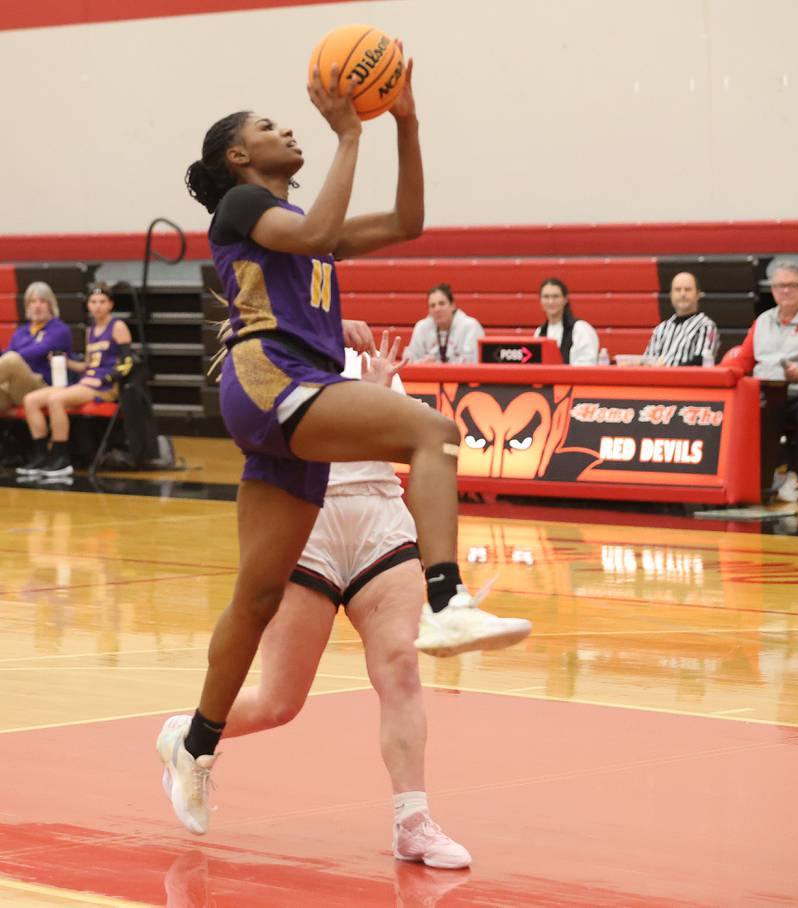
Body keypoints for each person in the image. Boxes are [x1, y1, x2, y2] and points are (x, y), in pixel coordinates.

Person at [156, 56, 531, 837]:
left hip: (289, 408)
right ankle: (445, 598)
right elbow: (322, 227)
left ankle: (193, 745)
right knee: (433, 430)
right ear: (238, 158)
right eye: (268, 127)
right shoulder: (242, 207)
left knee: (256, 598)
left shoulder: (303, 231)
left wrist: (408, 121)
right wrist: (349, 134)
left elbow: (406, 223)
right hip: (270, 381)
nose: (286, 128)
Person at [162, 339, 492, 867]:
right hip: (303, 524)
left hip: (377, 522)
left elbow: (415, 447)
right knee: (279, 703)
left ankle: (413, 821)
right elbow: (285, 444)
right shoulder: (262, 359)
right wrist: (364, 416)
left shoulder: (362, 358)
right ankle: (189, 735)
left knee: (401, 671)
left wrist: (381, 405)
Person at [16, 282, 133, 479]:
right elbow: (88, 365)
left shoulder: (118, 326)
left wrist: (106, 378)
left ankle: (61, 458)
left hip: (104, 386)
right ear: (88, 305)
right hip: (86, 382)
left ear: (110, 304)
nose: (97, 306)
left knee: (56, 400)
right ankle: (43, 455)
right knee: (31, 400)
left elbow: (128, 362)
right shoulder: (91, 330)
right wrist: (66, 362)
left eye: (102, 302)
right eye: (93, 302)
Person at [728, 261, 798, 503]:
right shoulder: (762, 322)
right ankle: (753, 482)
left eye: (792, 285)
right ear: (773, 289)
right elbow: (743, 362)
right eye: (780, 285)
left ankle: (793, 475)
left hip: (795, 392)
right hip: (762, 393)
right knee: (743, 413)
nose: (786, 291)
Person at [0, 282, 72, 415]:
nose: (37, 306)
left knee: (12, 360)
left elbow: (33, 353)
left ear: (51, 305)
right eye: (33, 301)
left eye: (42, 301)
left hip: (42, 387)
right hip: (15, 388)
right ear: (27, 306)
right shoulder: (21, 331)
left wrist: (8, 354)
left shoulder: (60, 330)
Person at [643, 271, 719, 366]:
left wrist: (667, 370)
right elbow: (647, 361)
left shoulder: (707, 327)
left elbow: (703, 362)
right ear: (671, 295)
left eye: (688, 289)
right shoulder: (661, 329)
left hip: (689, 380)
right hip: (658, 379)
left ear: (698, 294)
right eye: (678, 290)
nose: (682, 294)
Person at [405, 283, 484, 363]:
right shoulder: (421, 327)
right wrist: (423, 363)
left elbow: (472, 363)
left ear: (452, 305)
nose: (437, 309)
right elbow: (409, 361)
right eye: (432, 305)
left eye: (441, 303)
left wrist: (438, 366)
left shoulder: (470, 327)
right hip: (428, 375)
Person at [534, 277, 599, 365]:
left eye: (555, 296)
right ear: (540, 301)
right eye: (546, 297)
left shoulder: (581, 329)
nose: (551, 301)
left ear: (565, 299)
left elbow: (586, 367)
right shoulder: (539, 332)